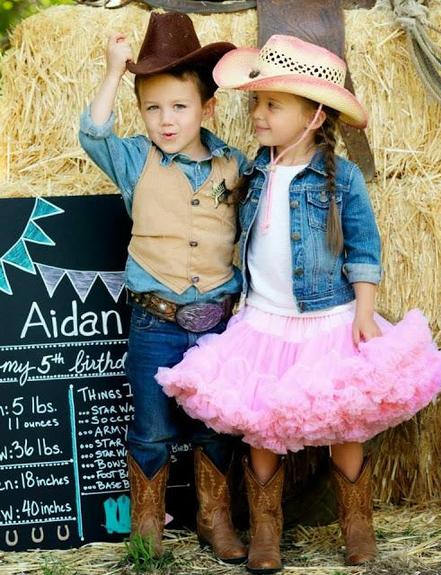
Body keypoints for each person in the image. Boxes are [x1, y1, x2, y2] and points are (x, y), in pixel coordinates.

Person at [156, 34, 441, 573]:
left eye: (273, 104)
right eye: (255, 102)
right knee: (264, 424)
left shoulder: (340, 180)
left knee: (346, 425)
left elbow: (365, 249)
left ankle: (356, 525)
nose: (258, 114)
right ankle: (266, 530)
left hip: (329, 320)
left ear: (314, 116)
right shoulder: (251, 171)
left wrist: (365, 311)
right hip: (264, 323)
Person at [79, 12, 249, 563]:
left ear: (208, 107)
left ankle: (214, 517)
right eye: (152, 108)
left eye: (179, 106)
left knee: (215, 429)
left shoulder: (234, 165)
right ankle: (147, 525)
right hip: (155, 321)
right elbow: (93, 131)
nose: (166, 120)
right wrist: (112, 71)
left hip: (218, 322)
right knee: (151, 429)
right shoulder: (134, 159)